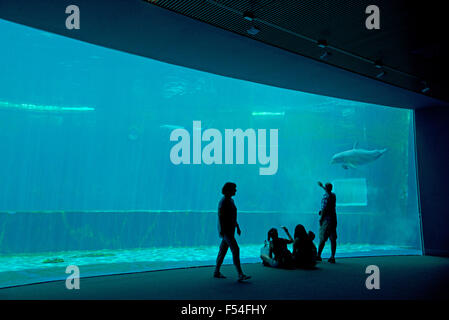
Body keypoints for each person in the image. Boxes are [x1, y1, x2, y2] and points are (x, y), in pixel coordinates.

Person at [214, 182, 251, 281]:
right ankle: (240, 274)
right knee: (235, 249)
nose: (236, 190)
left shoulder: (231, 200)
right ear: (228, 190)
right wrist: (222, 231)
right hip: (226, 231)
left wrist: (237, 226)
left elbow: (232, 216)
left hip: (230, 230)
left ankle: (216, 271)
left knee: (223, 251)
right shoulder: (224, 202)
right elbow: (221, 217)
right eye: (234, 189)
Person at [316, 181, 337, 263]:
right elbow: (328, 191)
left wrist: (321, 218)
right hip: (333, 219)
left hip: (326, 221)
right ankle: (332, 256)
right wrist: (322, 186)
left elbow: (324, 209)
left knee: (322, 237)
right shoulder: (333, 195)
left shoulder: (325, 197)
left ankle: (318, 255)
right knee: (333, 238)